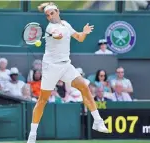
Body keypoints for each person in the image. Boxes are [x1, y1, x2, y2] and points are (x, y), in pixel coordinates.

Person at [27, 2, 108, 143]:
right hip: (51, 67)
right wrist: (56, 34)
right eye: (47, 15)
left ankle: (97, 121)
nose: (50, 16)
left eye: (52, 13)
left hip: (66, 65)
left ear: (57, 11)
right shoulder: (50, 28)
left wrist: (84, 32)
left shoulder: (65, 24)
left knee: (84, 87)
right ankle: (32, 134)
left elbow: (79, 38)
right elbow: (57, 35)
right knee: (42, 100)